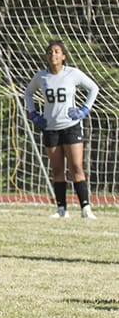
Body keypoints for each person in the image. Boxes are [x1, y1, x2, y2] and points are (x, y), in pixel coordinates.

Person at [24, 40, 100, 219]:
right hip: (50, 128)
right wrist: (33, 113)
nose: (53, 55)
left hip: (71, 126)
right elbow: (28, 93)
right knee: (57, 169)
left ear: (63, 56)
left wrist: (84, 110)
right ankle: (61, 209)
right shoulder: (41, 76)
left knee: (76, 166)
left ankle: (85, 207)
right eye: (50, 52)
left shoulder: (72, 74)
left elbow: (93, 88)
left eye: (57, 52)